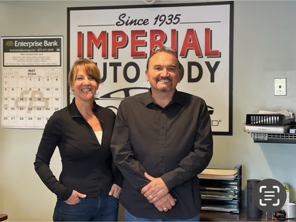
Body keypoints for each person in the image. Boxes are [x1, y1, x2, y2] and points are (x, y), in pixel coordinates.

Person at [111, 47, 213, 221]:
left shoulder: (197, 106)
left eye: (171, 68)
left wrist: (166, 183)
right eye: (158, 68)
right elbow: (121, 154)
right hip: (139, 205)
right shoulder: (128, 107)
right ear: (147, 74)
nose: (164, 73)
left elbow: (202, 153)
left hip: (183, 206)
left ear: (179, 75)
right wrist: (154, 192)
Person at [34, 59, 123, 221]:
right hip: (74, 205)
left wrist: (119, 181)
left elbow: (118, 154)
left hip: (108, 203)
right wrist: (63, 192)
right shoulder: (60, 119)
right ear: (71, 83)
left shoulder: (109, 116)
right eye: (80, 78)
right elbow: (40, 162)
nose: (86, 83)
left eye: (92, 78)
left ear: (97, 83)